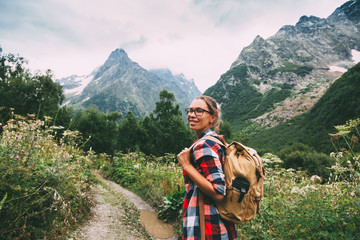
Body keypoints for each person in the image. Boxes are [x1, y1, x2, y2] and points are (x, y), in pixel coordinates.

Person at [177, 96, 237, 240]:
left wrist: (186, 165)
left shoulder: (203, 145)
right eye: (190, 110)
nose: (191, 115)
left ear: (212, 117)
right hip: (220, 224)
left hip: (208, 227)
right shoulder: (216, 140)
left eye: (199, 111)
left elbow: (218, 192)